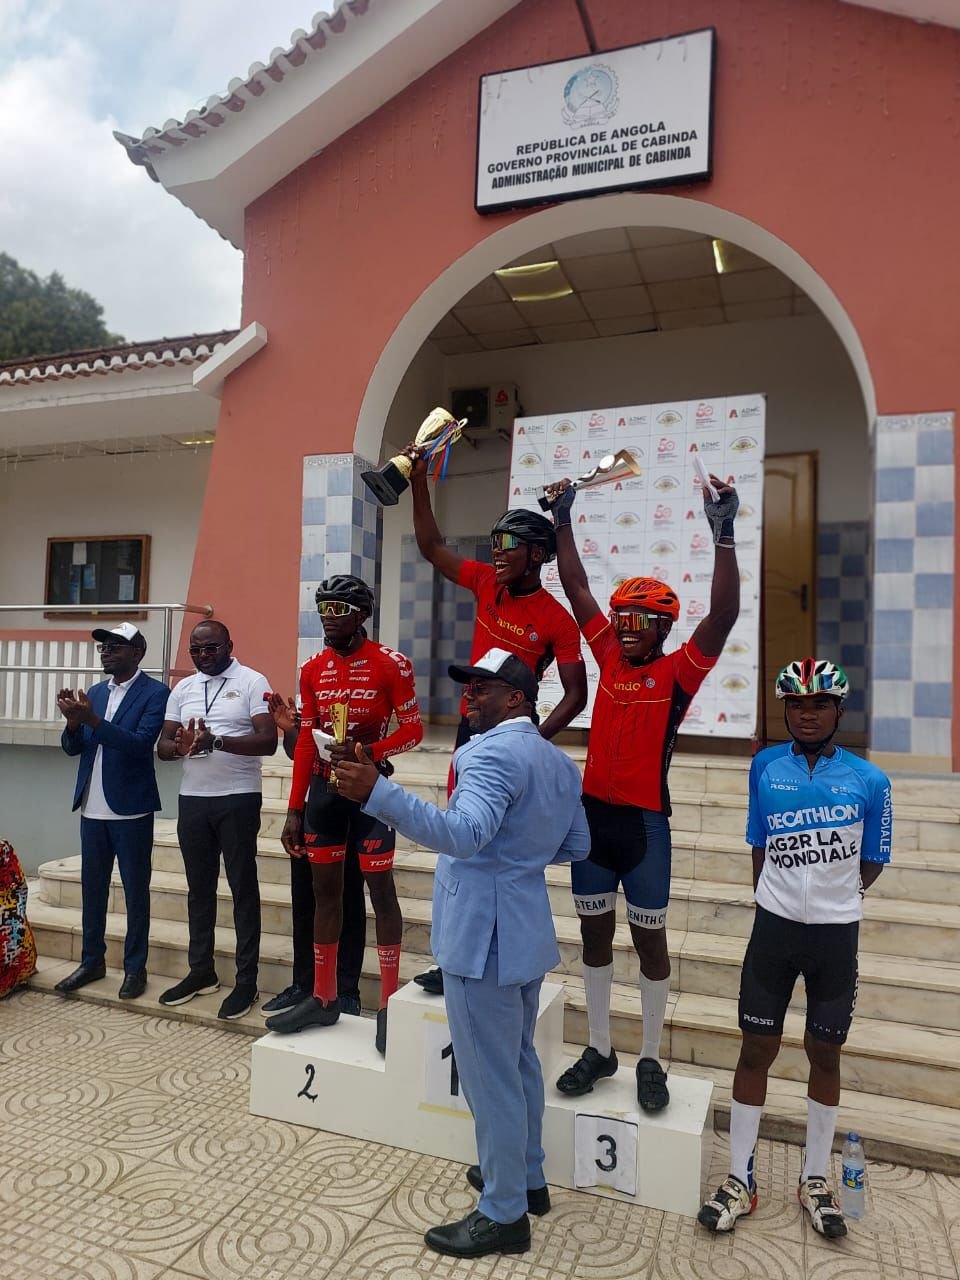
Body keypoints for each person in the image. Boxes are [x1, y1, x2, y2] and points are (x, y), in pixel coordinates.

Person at [336, 647, 589, 1259]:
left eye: (482, 687)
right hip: (523, 929)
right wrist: (518, 858)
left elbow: (464, 835)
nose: (469, 696)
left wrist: (379, 793)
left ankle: (503, 1213)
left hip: (483, 938)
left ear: (517, 698)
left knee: (490, 1078)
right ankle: (526, 1178)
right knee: (518, 1062)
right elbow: (575, 845)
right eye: (468, 685)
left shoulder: (488, 753)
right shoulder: (557, 761)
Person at [544, 471, 740, 1112]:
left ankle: (651, 1058)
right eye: (622, 617)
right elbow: (577, 588)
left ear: (662, 629)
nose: (625, 626)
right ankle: (600, 1048)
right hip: (591, 823)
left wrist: (723, 534)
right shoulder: (606, 656)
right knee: (594, 939)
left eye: (640, 620)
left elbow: (724, 616)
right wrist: (563, 518)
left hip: (646, 828)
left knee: (650, 943)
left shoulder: (678, 673)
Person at [698, 658, 892, 1240]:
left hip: (835, 935)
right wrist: (774, 896)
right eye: (797, 705)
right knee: (755, 1050)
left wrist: (835, 897)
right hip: (774, 931)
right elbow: (758, 841)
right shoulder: (764, 766)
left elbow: (874, 860)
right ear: (785, 711)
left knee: (824, 1054)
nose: (808, 714)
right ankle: (740, 1179)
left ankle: (814, 1180)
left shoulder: (870, 780)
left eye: (820, 704)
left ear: (839, 711)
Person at [406, 448, 587, 995]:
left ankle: (499, 953)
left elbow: (577, 694)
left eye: (508, 543)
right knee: (461, 846)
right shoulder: (487, 582)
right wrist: (419, 479)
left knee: (500, 852)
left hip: (512, 743)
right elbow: (431, 547)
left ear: (537, 555)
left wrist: (530, 739)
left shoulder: (556, 619)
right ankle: (453, 956)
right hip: (473, 733)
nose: (496, 551)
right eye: (494, 542)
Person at [264, 576, 423, 1053]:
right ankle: (323, 996)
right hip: (324, 795)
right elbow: (305, 746)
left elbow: (413, 730)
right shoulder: (312, 668)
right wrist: (294, 810)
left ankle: (389, 1005)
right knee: (324, 897)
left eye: (339, 609)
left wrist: (370, 750)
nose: (328, 618)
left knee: (381, 895)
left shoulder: (391, 663)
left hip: (371, 791)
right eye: (323, 609)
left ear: (362, 615)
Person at [157, 620, 276, 1019]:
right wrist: (179, 747)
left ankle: (246, 982)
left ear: (229, 645)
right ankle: (201, 972)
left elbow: (268, 740)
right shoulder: (184, 688)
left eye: (211, 648)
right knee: (199, 890)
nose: (203, 656)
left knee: (243, 888)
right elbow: (163, 744)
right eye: (196, 650)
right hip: (193, 798)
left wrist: (217, 741)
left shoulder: (252, 681)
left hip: (238, 798)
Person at [55, 623, 169, 999]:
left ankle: (135, 969)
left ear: (137, 653)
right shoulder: (95, 693)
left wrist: (91, 720)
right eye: (103, 647)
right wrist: (73, 724)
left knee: (135, 892)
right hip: (92, 807)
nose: (106, 652)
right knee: (93, 890)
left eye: (115, 647)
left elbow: (139, 744)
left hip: (131, 810)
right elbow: (74, 748)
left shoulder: (156, 693)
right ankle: (92, 961)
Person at [263, 693, 368, 1018]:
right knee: (305, 900)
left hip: (348, 805)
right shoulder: (310, 690)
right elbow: (300, 753)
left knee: (348, 898)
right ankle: (304, 984)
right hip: (309, 808)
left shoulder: (360, 694)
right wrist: (289, 730)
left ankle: (346, 990)